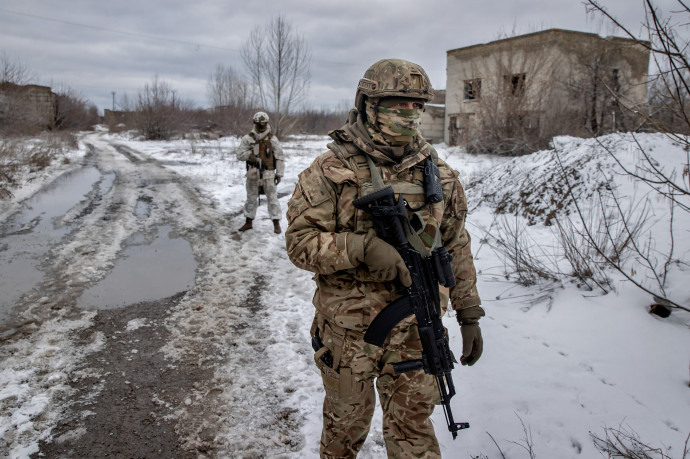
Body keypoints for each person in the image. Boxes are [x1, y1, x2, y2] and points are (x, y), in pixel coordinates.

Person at [285, 59, 485, 458]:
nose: (409, 116)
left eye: (417, 107)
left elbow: (456, 245)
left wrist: (469, 313)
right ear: (368, 105)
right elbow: (300, 243)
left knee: (413, 434)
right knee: (343, 433)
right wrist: (359, 249)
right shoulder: (330, 170)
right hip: (349, 336)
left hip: (417, 331)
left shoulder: (440, 176)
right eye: (397, 105)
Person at [236, 111, 285, 234]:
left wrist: (279, 173)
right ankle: (248, 222)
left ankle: (276, 223)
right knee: (251, 198)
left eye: (264, 122)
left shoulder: (272, 139)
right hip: (253, 173)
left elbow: (279, 157)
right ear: (255, 123)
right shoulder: (248, 138)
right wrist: (250, 155)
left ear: (267, 123)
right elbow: (239, 155)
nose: (262, 124)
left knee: (272, 198)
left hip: (268, 174)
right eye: (259, 122)